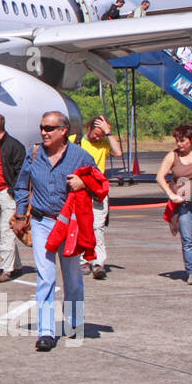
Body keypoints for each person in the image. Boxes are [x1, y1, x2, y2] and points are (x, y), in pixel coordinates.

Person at [12, 112, 90, 351]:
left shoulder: (79, 156)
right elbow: (21, 184)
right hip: (41, 222)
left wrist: (83, 183)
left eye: (49, 128)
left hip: (69, 224)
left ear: (63, 130)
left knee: (72, 276)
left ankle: (75, 323)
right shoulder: (34, 154)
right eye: (42, 128)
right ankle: (46, 332)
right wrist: (20, 213)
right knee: (45, 277)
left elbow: (100, 184)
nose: (44, 132)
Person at [155, 124, 192, 286]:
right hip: (182, 205)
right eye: (177, 141)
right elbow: (160, 177)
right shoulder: (172, 156)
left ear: (190, 140)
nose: (179, 144)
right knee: (187, 239)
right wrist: (171, 195)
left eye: (182, 141)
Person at [70, 116, 123, 279]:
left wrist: (109, 133)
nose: (97, 138)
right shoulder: (75, 140)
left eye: (101, 135)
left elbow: (118, 152)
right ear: (89, 129)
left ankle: (98, 262)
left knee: (97, 228)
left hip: (97, 190)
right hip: (79, 189)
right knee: (79, 226)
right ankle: (83, 260)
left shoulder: (104, 143)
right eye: (96, 133)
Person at [0, 113, 26, 283]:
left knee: (7, 231)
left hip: (6, 194)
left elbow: (21, 173)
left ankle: (6, 269)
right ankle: (16, 265)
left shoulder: (14, 146)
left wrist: (13, 191)